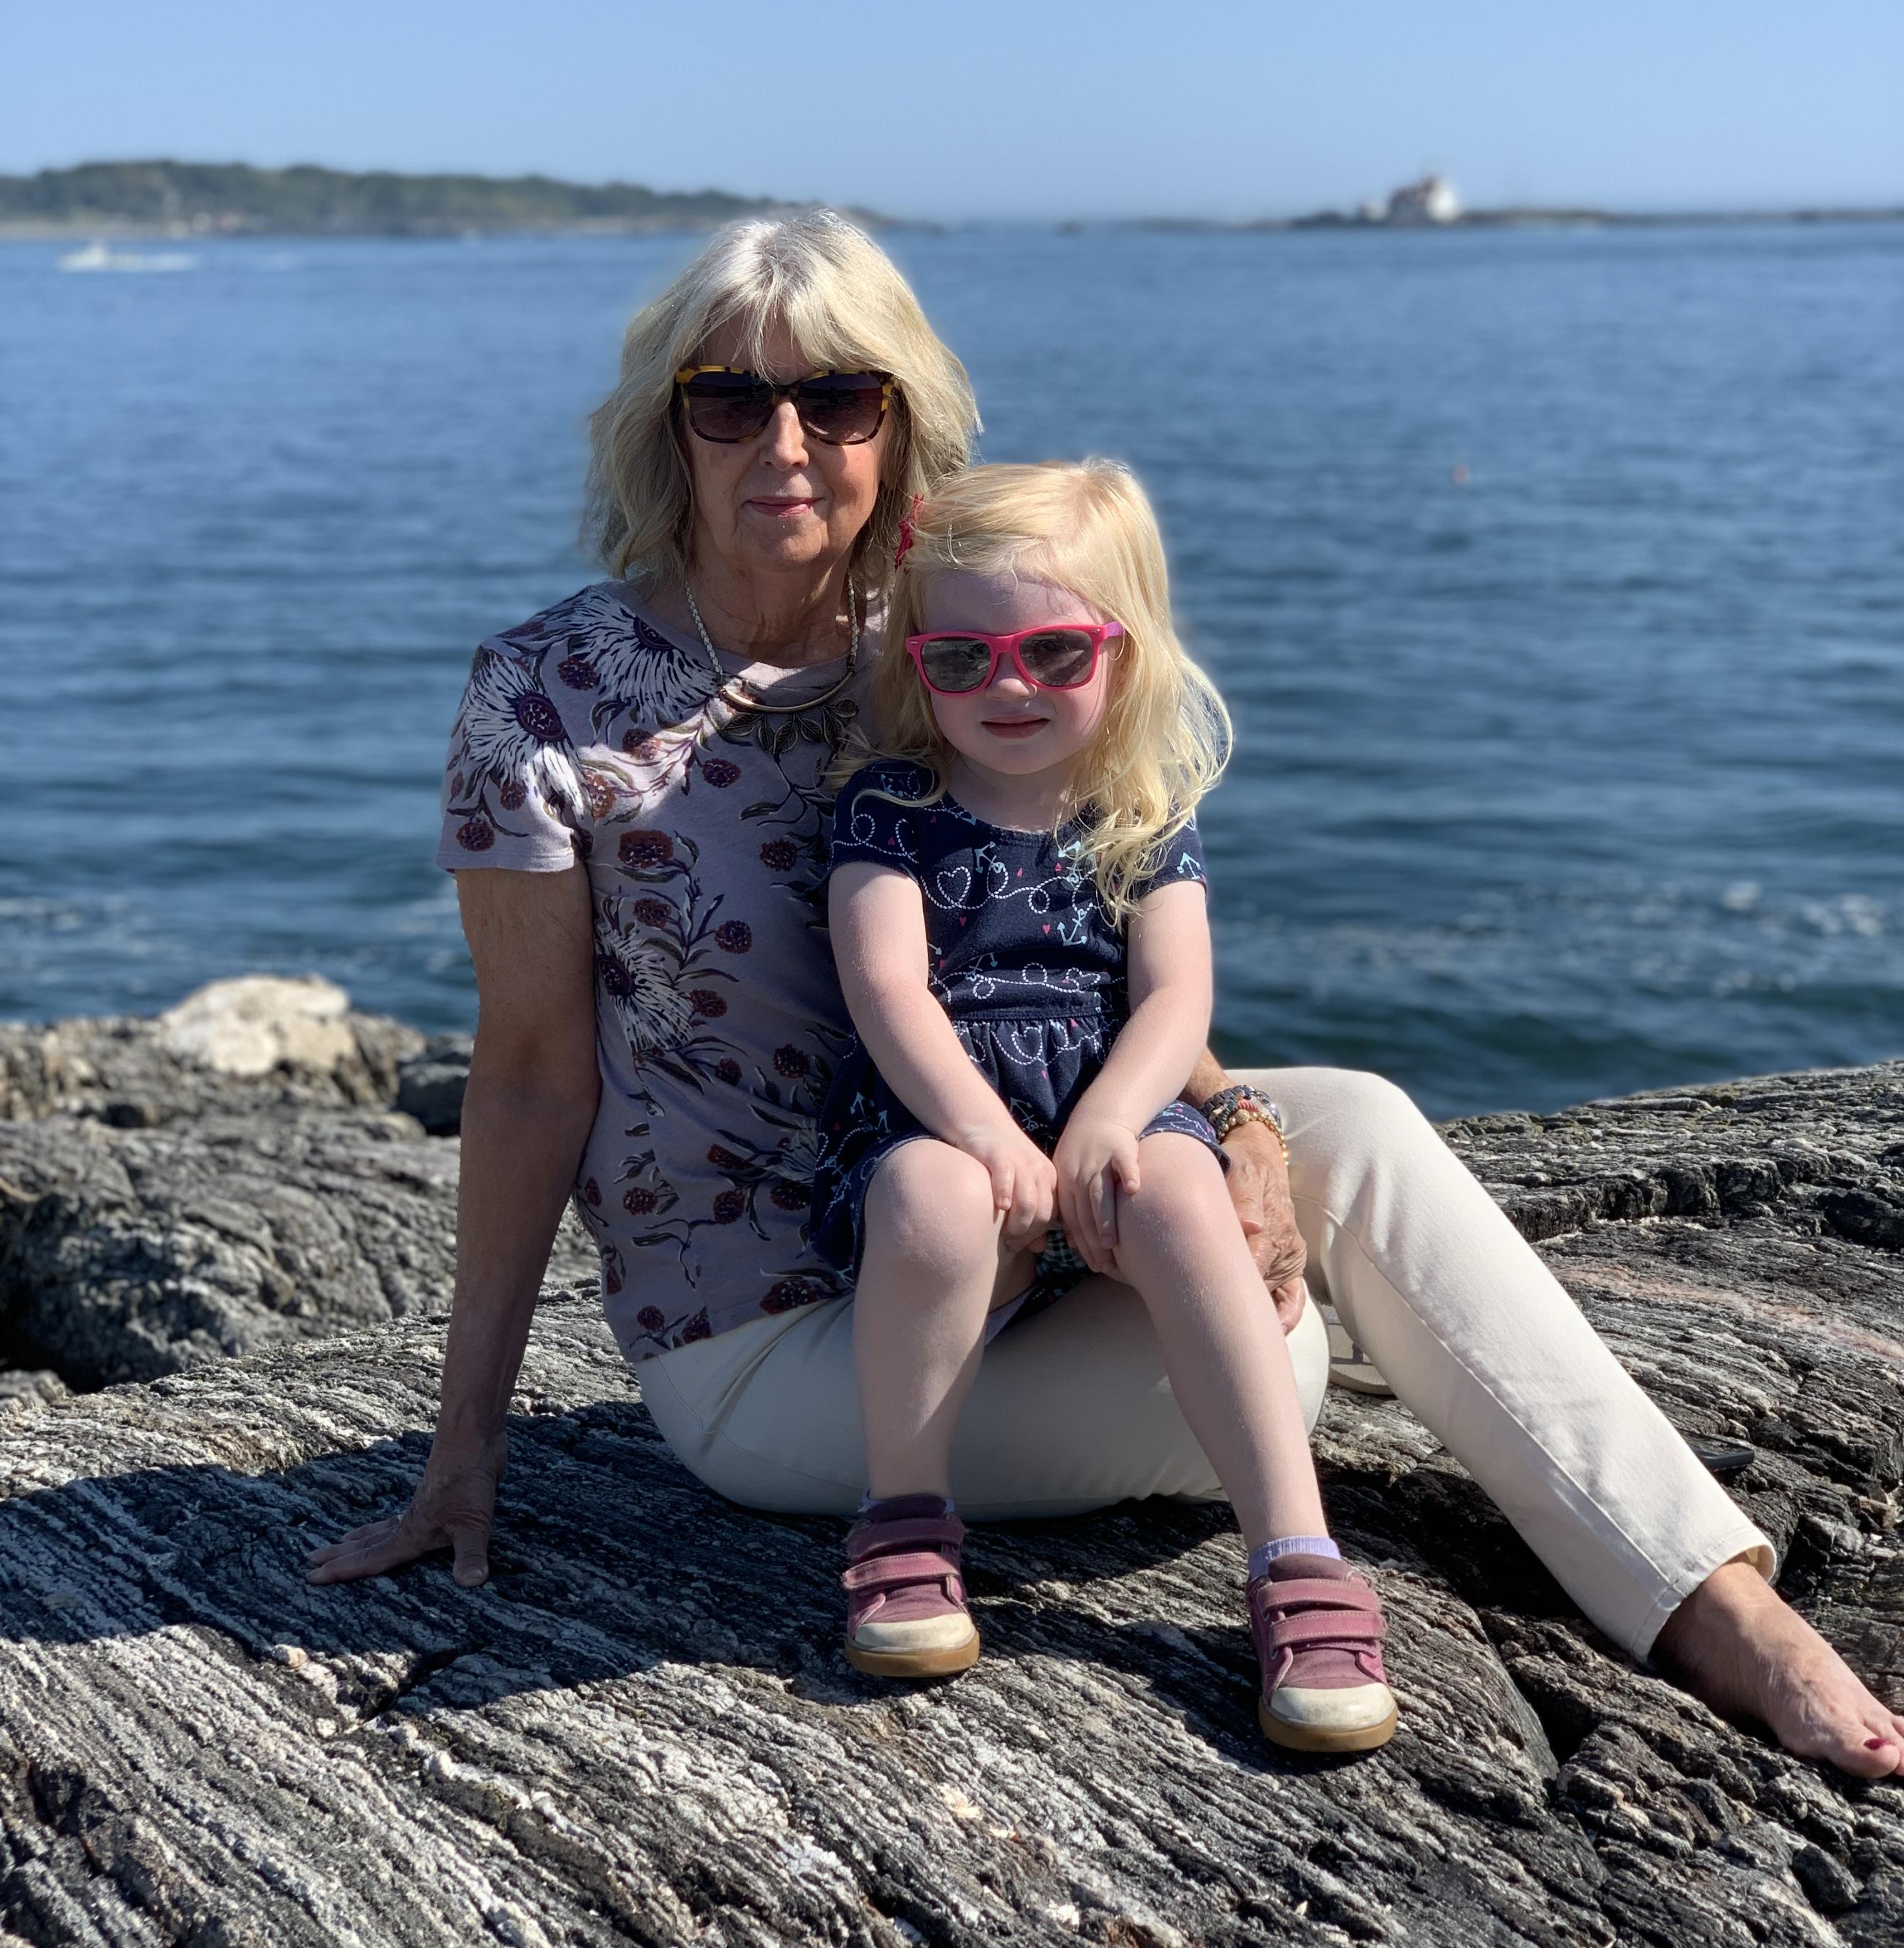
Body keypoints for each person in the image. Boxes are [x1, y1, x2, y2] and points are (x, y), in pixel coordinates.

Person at [307, 210, 1903, 1783]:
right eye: (729, 398)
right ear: (672, 430)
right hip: (783, 1334)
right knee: (1277, 1359)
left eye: (836, 398)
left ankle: (1711, 1602)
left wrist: (1240, 1114)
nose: (782, 442)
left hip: (1022, 1230)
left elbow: (1055, 962)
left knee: (1360, 1127)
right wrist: (466, 1456)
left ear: (902, 427)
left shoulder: (950, 648)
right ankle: (1170, 1539)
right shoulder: (546, 697)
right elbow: (527, 1078)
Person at [813, 459, 1395, 1752]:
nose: (1007, 686)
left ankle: (1297, 1557)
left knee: (1185, 1188)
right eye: (961, 659)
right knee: (925, 1198)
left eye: (1054, 650)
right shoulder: (893, 810)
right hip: (946, 1124)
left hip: (1107, 1119)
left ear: (1124, 653)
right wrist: (983, 1133)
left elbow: (1176, 999)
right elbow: (888, 991)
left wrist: (1107, 1126)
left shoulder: (1142, 815)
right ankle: (904, 1522)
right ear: (919, 664)